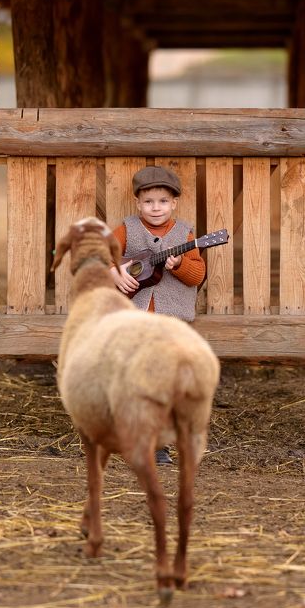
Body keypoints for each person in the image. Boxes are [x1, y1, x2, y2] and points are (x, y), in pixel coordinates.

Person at [109, 166, 206, 465]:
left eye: (163, 201)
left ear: (174, 203)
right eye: (149, 201)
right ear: (138, 203)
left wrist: (178, 266)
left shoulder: (184, 234)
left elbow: (197, 275)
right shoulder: (126, 229)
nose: (156, 208)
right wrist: (113, 272)